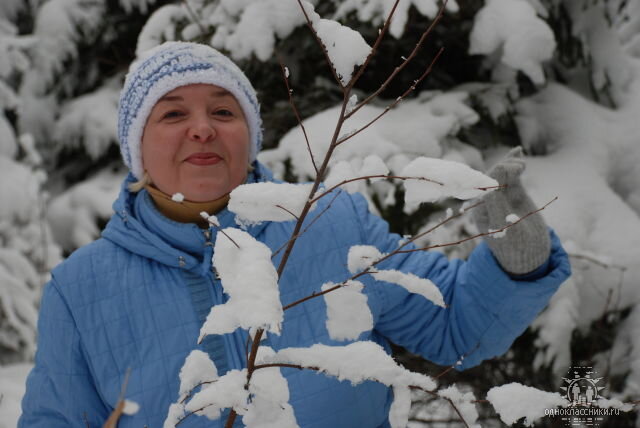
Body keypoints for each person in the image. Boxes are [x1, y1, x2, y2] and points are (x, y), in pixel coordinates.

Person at [19, 42, 571, 428]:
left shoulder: (330, 221)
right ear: (136, 150)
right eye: (171, 114)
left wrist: (512, 250)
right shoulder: (80, 287)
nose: (203, 127)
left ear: (250, 136)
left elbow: (455, 326)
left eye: (222, 109)